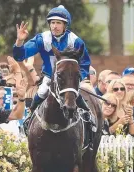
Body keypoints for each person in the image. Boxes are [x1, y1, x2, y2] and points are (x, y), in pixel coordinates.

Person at [13, 5, 95, 147]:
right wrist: (19, 41)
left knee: (76, 95)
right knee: (42, 91)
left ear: (65, 25)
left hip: (70, 79)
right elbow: (20, 55)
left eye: (58, 23)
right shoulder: (42, 39)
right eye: (52, 23)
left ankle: (88, 118)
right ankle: (29, 117)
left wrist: (77, 78)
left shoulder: (75, 41)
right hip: (50, 77)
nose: (55, 26)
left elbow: (85, 63)